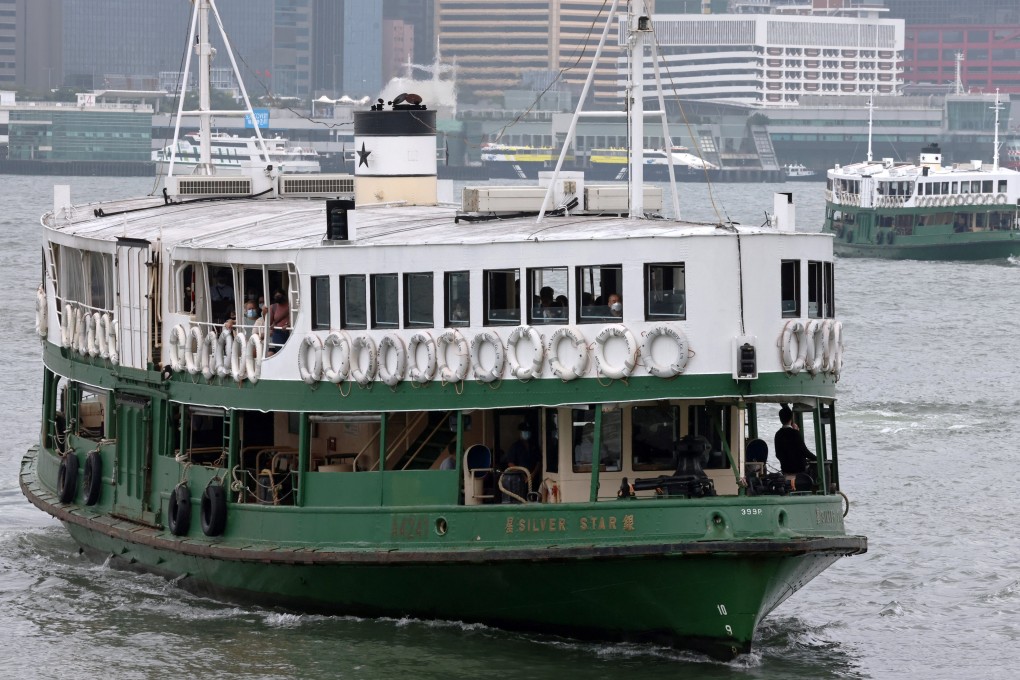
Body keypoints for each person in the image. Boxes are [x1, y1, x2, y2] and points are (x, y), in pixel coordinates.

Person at [774, 406, 816, 482]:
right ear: (791, 418)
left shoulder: (778, 434)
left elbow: (778, 454)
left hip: (785, 469)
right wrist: (817, 459)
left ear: (780, 419)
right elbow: (804, 451)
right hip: (799, 470)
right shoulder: (795, 433)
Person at [502, 422, 540, 491]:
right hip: (520, 480)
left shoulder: (534, 446)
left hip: (534, 479)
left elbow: (538, 462)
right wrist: (523, 475)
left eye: (528, 431)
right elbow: (510, 463)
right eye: (524, 431)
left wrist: (533, 475)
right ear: (520, 433)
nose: (526, 433)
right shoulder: (515, 447)